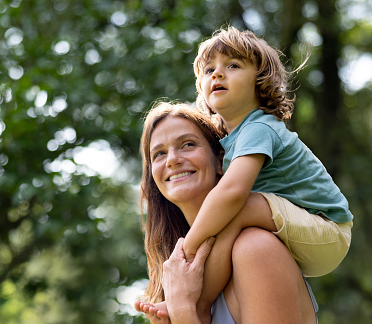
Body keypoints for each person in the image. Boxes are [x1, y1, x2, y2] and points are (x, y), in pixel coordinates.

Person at [174, 26, 353, 321]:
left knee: (238, 205)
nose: (218, 74)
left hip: (328, 229)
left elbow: (231, 192)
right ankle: (203, 299)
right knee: (231, 217)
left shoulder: (259, 128)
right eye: (209, 69)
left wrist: (188, 248)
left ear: (260, 81)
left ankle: (199, 301)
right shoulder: (232, 139)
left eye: (233, 65)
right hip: (299, 231)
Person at [135, 102, 318, 323]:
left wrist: (183, 309)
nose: (172, 159)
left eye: (188, 144)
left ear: (221, 161)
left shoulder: (255, 248)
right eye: (159, 154)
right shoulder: (177, 281)